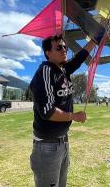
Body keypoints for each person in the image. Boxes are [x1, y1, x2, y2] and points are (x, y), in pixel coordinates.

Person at [29, 34, 96, 187]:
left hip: (63, 142)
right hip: (47, 146)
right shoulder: (45, 71)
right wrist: (74, 116)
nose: (64, 49)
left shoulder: (63, 70)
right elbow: (48, 111)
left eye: (65, 47)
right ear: (48, 52)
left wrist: (95, 40)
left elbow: (79, 58)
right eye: (59, 47)